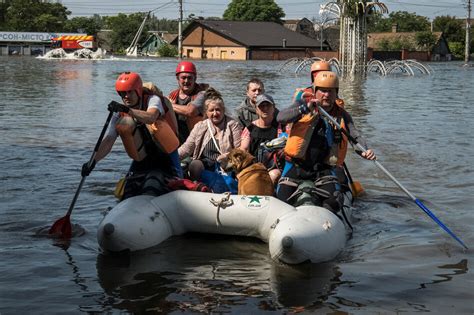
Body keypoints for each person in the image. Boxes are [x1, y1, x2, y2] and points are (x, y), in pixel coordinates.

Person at [276, 71, 375, 213]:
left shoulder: (342, 115)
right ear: (315, 91)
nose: (326, 95)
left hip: (324, 169)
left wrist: (365, 151)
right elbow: (281, 117)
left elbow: (355, 136)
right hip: (297, 167)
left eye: (331, 91)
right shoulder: (302, 104)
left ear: (336, 93)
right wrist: (306, 108)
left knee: (334, 202)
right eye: (322, 91)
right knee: (280, 200)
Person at [81, 72, 181, 200]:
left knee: (155, 125)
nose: (126, 96)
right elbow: (108, 140)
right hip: (143, 157)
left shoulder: (153, 100)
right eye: (122, 93)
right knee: (125, 123)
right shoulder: (120, 113)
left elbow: (150, 117)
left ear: (138, 91)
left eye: (129, 92)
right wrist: (93, 161)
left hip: (167, 154)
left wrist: (128, 110)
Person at [178, 87, 242, 182]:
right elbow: (187, 148)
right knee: (194, 165)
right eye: (211, 110)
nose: (215, 113)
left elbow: (239, 150)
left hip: (226, 165)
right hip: (205, 164)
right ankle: (199, 187)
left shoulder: (233, 125)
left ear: (223, 110)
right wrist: (171, 157)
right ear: (206, 113)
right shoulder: (200, 126)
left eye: (218, 110)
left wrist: (226, 156)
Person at [240, 93, 286, 184]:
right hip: (254, 166)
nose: (265, 109)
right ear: (256, 109)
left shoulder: (281, 126)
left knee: (273, 175)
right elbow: (244, 148)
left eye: (268, 105)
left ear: (273, 107)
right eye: (261, 106)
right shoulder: (250, 128)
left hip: (274, 167)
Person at [168, 61, 208, 144]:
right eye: (183, 78)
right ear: (177, 78)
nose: (186, 81)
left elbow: (190, 111)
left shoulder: (202, 94)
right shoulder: (172, 96)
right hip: (179, 141)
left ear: (195, 78)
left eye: (190, 78)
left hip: (198, 141)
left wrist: (167, 104)